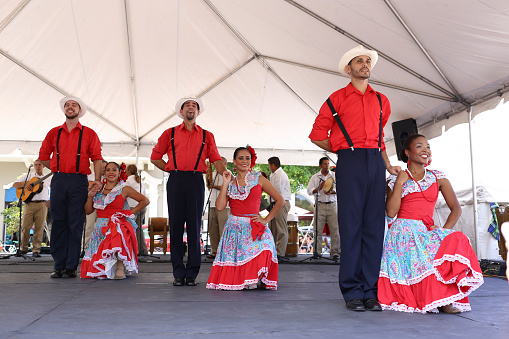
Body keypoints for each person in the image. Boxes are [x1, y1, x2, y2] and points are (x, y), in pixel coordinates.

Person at [309, 45, 400, 311]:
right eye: (359, 61)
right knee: (351, 227)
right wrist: (339, 147)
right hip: (349, 160)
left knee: (374, 227)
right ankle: (352, 291)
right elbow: (316, 135)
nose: (365, 65)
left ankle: (371, 290)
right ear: (348, 69)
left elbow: (380, 139)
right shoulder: (336, 98)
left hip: (375, 161)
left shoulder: (382, 100)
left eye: (368, 61)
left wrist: (388, 165)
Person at [378, 134, 484, 313]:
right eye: (419, 146)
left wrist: (443, 231)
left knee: (456, 239)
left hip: (425, 229)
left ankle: (443, 299)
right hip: (401, 232)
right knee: (422, 251)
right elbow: (391, 212)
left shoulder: (438, 177)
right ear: (407, 152)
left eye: (428, 146)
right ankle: (436, 300)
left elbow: (456, 208)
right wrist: (399, 184)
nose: (426, 150)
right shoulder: (395, 179)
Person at [151, 97, 226, 287]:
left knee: (194, 227)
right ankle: (178, 272)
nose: (191, 107)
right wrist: (170, 168)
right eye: (187, 105)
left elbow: (215, 157)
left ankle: (192, 273)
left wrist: (223, 170)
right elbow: (155, 157)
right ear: (181, 112)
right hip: (175, 179)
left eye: (194, 106)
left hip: (195, 180)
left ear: (198, 112)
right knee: (175, 226)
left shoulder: (207, 135)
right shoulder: (170, 133)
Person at [39, 96, 103, 279]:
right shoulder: (54, 133)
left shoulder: (89, 133)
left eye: (73, 105)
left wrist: (97, 179)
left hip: (78, 180)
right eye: (67, 105)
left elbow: (97, 158)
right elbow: (42, 156)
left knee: (75, 223)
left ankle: (71, 266)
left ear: (80, 110)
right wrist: (55, 166)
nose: (70, 107)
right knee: (58, 222)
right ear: (64, 110)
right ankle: (58, 264)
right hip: (59, 180)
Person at [207, 146, 283, 290]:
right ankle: (245, 279)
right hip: (234, 227)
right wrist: (225, 182)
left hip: (254, 224)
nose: (244, 161)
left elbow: (280, 200)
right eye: (240, 158)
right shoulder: (230, 182)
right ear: (234, 162)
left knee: (266, 247)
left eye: (247, 158)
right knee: (237, 257)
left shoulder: (258, 179)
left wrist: (266, 219)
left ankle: (252, 277)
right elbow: (220, 206)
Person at [81, 162, 149, 279]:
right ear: (104, 173)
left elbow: (145, 201)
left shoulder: (124, 189)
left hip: (116, 223)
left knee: (118, 231)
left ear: (119, 173)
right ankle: (105, 269)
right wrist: (91, 196)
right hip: (100, 225)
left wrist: (129, 213)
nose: (111, 172)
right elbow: (88, 211)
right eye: (108, 170)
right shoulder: (98, 188)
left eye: (114, 170)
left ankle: (120, 267)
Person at [12, 160, 51, 257]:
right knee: (25, 226)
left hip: (42, 204)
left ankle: (36, 250)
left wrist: (52, 199)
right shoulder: (28, 176)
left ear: (44, 166)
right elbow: (15, 184)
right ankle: (23, 248)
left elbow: (55, 188)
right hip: (29, 204)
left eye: (40, 165)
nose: (37, 166)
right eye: (36, 165)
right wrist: (25, 185)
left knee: (39, 227)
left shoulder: (49, 177)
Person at [307, 157, 340, 260]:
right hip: (320, 204)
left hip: (332, 204)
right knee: (317, 230)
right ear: (320, 166)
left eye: (328, 164)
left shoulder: (334, 176)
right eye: (325, 164)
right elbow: (309, 191)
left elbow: (342, 188)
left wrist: (333, 191)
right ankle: (317, 252)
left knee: (335, 230)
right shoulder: (315, 177)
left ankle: (335, 252)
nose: (327, 166)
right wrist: (319, 188)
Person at [206, 157, 230, 259]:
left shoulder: (227, 173)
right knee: (212, 229)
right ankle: (214, 251)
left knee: (223, 229)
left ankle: (223, 252)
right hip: (212, 203)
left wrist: (214, 186)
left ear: (224, 163)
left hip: (224, 206)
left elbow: (227, 187)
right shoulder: (213, 173)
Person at [267, 156, 291, 260]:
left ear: (272, 165)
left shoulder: (280, 175)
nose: (269, 167)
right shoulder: (273, 174)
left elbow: (278, 191)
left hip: (281, 202)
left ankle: (280, 253)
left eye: (269, 165)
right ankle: (273, 251)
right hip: (274, 203)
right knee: (272, 228)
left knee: (281, 229)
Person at [82, 160, 107, 254]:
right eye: (102, 168)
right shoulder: (89, 176)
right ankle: (85, 248)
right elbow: (84, 190)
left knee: (102, 228)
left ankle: (100, 249)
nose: (103, 170)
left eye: (105, 168)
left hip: (103, 205)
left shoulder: (108, 178)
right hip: (91, 203)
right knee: (90, 226)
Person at [125, 164, 149, 256]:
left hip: (133, 206)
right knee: (139, 229)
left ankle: (133, 250)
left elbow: (125, 193)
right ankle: (143, 250)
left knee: (130, 229)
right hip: (142, 206)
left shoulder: (128, 181)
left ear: (129, 171)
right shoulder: (140, 180)